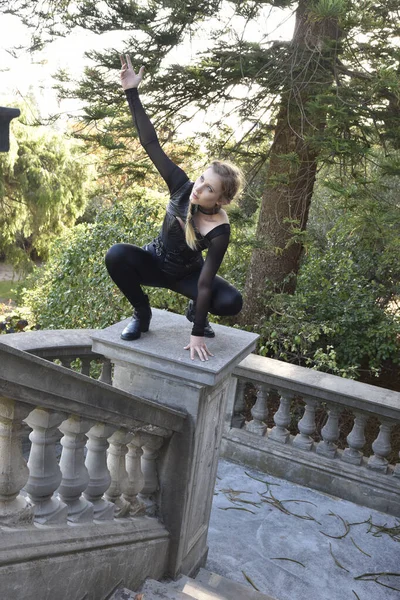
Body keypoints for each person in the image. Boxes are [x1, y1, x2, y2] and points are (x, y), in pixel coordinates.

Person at [105, 55, 244, 362]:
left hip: (187, 277)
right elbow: (150, 142)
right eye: (202, 179)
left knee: (233, 301)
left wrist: (196, 330)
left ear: (220, 200)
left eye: (208, 188)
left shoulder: (220, 230)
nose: (199, 187)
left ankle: (195, 311)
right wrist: (131, 91)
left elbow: (206, 281)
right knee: (116, 255)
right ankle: (142, 314)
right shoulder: (181, 185)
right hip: (155, 262)